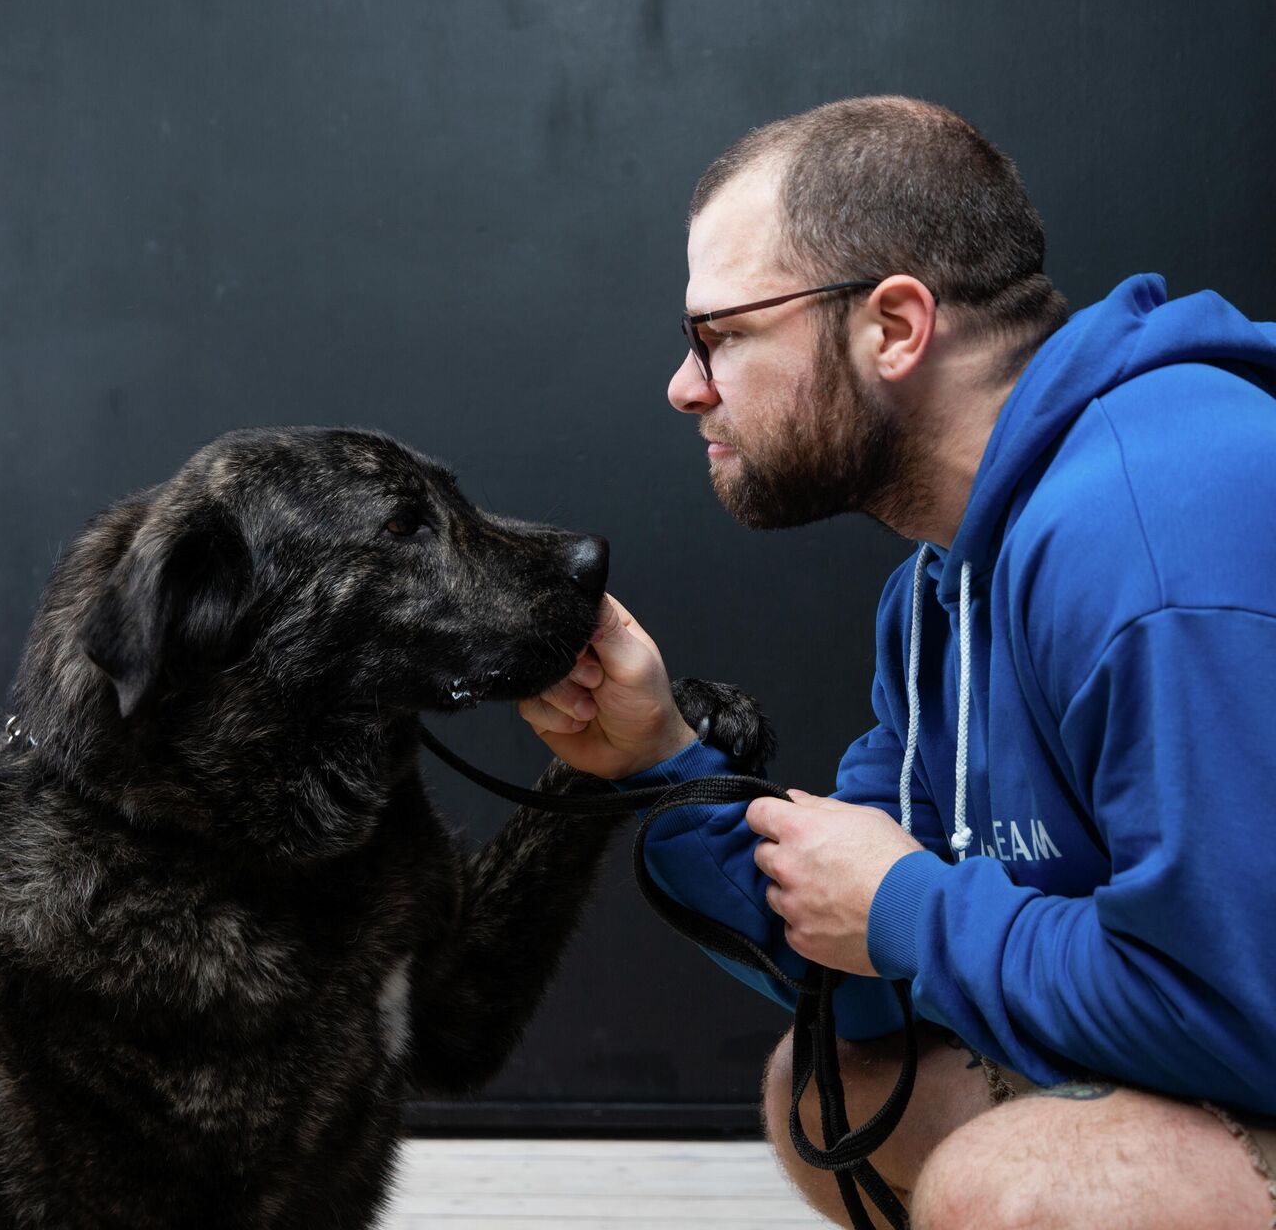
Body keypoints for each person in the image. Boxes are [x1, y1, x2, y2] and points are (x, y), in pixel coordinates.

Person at [518, 96, 1276, 1229]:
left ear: (893, 326)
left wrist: (911, 908)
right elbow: (852, 966)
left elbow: (1235, 1008)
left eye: (718, 333)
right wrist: (656, 761)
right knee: (831, 1091)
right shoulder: (938, 585)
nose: (686, 385)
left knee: (1015, 1190)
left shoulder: (1152, 529)